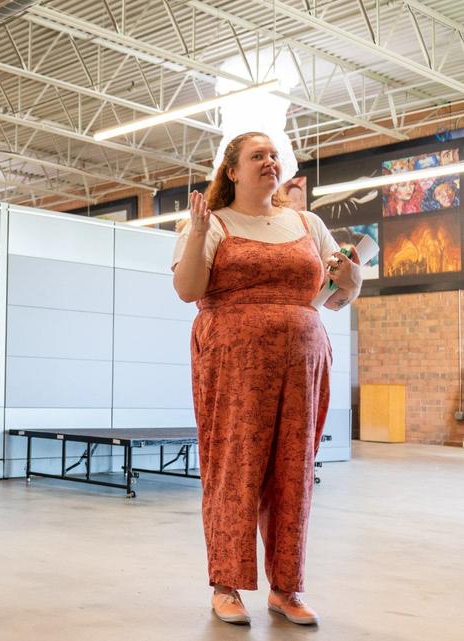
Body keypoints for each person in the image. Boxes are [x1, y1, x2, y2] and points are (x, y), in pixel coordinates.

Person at [171, 132, 362, 626]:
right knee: (234, 467)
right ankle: (226, 584)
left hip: (303, 359)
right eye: (258, 155)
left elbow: (331, 299)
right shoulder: (211, 222)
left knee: (293, 472)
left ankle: (286, 587)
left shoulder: (307, 222)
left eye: (274, 155)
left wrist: (352, 282)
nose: (270, 162)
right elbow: (188, 290)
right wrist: (195, 233)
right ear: (231, 170)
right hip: (233, 362)